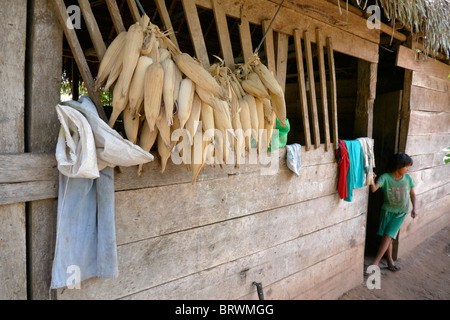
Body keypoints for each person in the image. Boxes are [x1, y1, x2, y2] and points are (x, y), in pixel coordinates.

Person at [368, 152, 417, 272]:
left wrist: (414, 208)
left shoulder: (408, 178)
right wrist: (372, 179)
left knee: (388, 236)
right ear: (399, 166)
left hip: (401, 212)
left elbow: (412, 194)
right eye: (406, 166)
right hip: (387, 211)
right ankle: (390, 262)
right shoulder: (385, 177)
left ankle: (375, 263)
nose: (408, 169)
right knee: (388, 237)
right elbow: (374, 189)